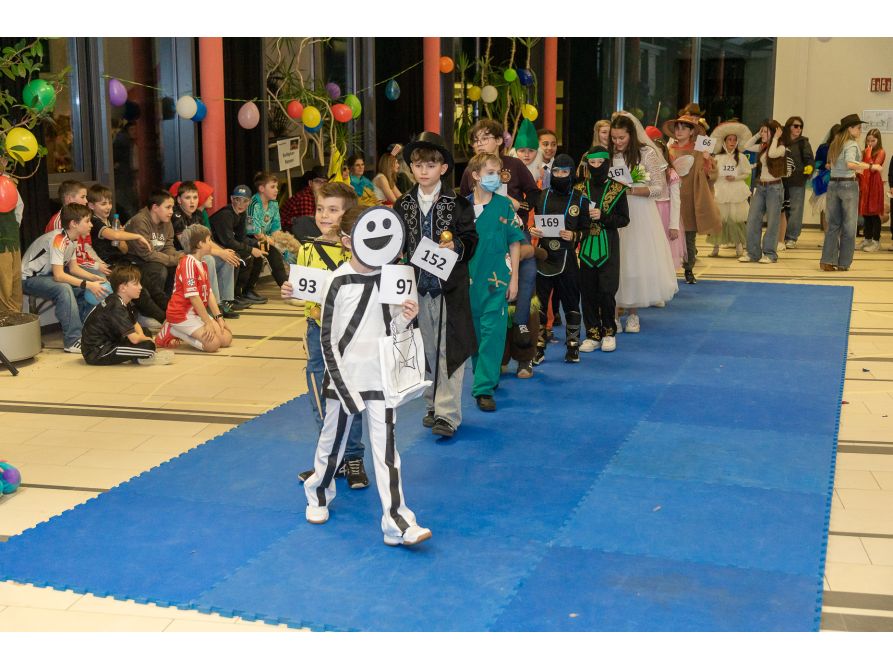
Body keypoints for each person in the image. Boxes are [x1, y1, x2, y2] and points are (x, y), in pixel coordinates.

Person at [302, 210, 430, 548]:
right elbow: (327, 339)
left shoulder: (393, 277)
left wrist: (406, 317)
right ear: (348, 241)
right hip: (344, 380)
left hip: (381, 377)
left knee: (387, 452)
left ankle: (397, 520)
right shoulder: (337, 280)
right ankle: (318, 492)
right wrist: (343, 387)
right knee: (333, 442)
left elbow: (393, 329)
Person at [281, 188, 369, 489]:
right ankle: (328, 459)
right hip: (317, 331)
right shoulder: (307, 249)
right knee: (320, 396)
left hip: (349, 335)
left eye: (333, 210)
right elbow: (303, 294)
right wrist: (289, 293)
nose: (324, 215)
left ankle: (354, 457)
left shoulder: (357, 250)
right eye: (320, 209)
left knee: (350, 394)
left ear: (348, 215)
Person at [394, 132, 477, 438]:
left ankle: (448, 414)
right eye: (418, 165)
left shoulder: (458, 204)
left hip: (449, 290)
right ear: (411, 168)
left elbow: (471, 240)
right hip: (415, 290)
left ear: (443, 168)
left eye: (431, 164)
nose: (424, 170)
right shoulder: (402, 204)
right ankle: (431, 404)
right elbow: (396, 244)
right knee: (424, 349)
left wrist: (456, 245)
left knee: (449, 350)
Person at [460, 117, 540, 378]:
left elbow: (535, 194)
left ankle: (525, 354)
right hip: (484, 240)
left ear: (498, 140)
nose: (480, 143)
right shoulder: (470, 170)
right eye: (476, 139)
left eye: (485, 138)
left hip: (514, 232)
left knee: (523, 289)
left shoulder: (515, 165)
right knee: (487, 299)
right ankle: (497, 358)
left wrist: (518, 205)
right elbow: (464, 204)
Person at [465, 152, 523, 410]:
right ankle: (484, 375)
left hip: (497, 280)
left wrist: (515, 279)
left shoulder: (504, 205)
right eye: (490, 173)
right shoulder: (461, 208)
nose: (495, 177)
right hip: (468, 282)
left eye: (498, 173)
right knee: (476, 334)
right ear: (476, 175)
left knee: (493, 333)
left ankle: (483, 388)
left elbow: (515, 242)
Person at [610, 112, 678, 332]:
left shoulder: (646, 153)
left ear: (631, 134)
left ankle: (633, 313)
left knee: (635, 261)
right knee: (616, 261)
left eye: (621, 138)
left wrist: (631, 190)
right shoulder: (610, 154)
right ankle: (613, 313)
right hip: (615, 211)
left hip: (640, 212)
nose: (617, 142)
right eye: (614, 138)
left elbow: (659, 188)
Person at [21, 203, 110, 353]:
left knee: (87, 288)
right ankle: (72, 340)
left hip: (47, 276)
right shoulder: (59, 239)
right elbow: (59, 275)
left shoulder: (73, 239)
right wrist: (88, 284)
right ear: (74, 224)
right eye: (87, 221)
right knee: (64, 288)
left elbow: (74, 268)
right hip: (29, 279)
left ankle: (87, 332)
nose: (91, 225)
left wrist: (94, 278)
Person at [530, 154, 588, 364]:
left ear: (571, 174)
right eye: (556, 171)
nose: (560, 175)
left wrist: (575, 236)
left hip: (567, 257)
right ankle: (538, 347)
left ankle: (573, 346)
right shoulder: (542, 196)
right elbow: (533, 223)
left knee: (571, 302)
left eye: (564, 172)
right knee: (539, 304)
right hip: (544, 256)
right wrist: (533, 230)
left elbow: (587, 229)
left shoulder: (580, 199)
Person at [577, 145, 629, 354]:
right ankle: (592, 334)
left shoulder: (618, 189)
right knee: (587, 292)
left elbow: (624, 219)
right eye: (593, 162)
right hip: (585, 248)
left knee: (607, 291)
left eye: (600, 162)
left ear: (607, 163)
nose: (597, 166)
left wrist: (604, 217)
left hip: (609, 246)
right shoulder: (579, 189)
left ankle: (608, 332)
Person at [662, 113, 721, 283]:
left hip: (690, 199)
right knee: (667, 235)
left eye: (684, 128)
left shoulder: (699, 151)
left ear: (691, 132)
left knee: (689, 236)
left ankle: (689, 269)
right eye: (677, 128)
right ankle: (667, 269)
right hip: (669, 199)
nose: (679, 131)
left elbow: (711, 175)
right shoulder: (667, 150)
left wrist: (707, 161)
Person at [155, 224, 233, 352]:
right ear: (200, 244)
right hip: (181, 315)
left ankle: (180, 330)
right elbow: (194, 297)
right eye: (209, 240)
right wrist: (207, 322)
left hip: (196, 313)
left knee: (226, 339)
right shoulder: (188, 263)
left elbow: (209, 293)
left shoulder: (203, 264)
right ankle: (173, 330)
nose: (211, 244)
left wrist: (219, 317)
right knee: (213, 345)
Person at [80, 265, 173, 366]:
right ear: (123, 288)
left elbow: (134, 323)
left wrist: (142, 336)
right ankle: (141, 357)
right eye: (136, 284)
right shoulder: (116, 306)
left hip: (112, 340)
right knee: (149, 347)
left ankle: (138, 356)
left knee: (146, 332)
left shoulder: (122, 300)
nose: (140, 287)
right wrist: (147, 340)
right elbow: (134, 339)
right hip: (97, 352)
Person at [124, 190, 183, 328]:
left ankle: (169, 307)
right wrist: (174, 259)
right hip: (135, 261)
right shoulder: (140, 221)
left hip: (154, 259)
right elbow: (146, 254)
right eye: (168, 207)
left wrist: (177, 258)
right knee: (159, 269)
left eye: (172, 208)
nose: (171, 211)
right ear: (155, 207)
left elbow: (168, 246)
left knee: (177, 267)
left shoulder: (166, 221)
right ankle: (146, 314)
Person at [821, 114, 870, 271]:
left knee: (833, 225)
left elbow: (832, 165)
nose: (860, 131)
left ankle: (827, 261)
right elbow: (850, 164)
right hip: (848, 185)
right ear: (850, 129)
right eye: (858, 128)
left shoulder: (835, 144)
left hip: (833, 185)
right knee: (849, 227)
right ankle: (843, 263)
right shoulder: (852, 144)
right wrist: (870, 166)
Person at [210, 184, 268, 306]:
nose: (241, 204)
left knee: (258, 254)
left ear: (249, 202)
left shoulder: (242, 214)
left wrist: (256, 243)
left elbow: (241, 238)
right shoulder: (226, 214)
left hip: (227, 245)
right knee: (245, 256)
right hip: (218, 247)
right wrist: (250, 249)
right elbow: (228, 241)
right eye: (237, 199)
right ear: (232, 199)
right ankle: (234, 295)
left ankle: (247, 291)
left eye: (245, 201)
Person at [739, 120, 787, 264]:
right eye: (762, 131)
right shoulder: (762, 146)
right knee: (753, 219)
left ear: (774, 132)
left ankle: (770, 254)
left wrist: (776, 138)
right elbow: (746, 146)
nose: (763, 134)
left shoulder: (781, 147)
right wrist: (757, 135)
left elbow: (772, 154)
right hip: (761, 187)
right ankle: (753, 253)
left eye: (766, 131)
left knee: (772, 222)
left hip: (775, 188)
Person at [707, 121, 752, 258]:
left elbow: (747, 173)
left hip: (736, 191)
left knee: (735, 219)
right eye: (729, 139)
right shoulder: (717, 157)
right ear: (724, 142)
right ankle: (716, 247)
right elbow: (712, 173)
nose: (732, 142)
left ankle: (739, 246)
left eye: (734, 140)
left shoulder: (742, 157)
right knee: (719, 219)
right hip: (721, 190)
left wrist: (736, 178)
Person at [646, 127, 686, 270]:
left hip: (665, 214)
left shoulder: (671, 174)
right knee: (651, 247)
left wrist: (674, 225)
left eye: (659, 153)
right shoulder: (645, 172)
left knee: (666, 249)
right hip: (649, 212)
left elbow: (676, 201)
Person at [86, 184, 152, 267]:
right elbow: (115, 235)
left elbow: (124, 250)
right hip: (105, 262)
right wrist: (138, 236)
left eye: (110, 203)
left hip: (119, 259)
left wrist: (120, 239)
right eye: (103, 204)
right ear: (91, 206)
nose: (108, 207)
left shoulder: (113, 220)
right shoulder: (93, 221)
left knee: (147, 265)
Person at [247, 172, 289, 286]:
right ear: (261, 188)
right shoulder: (253, 204)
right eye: (273, 187)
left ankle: (287, 286)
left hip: (266, 239)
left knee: (285, 251)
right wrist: (275, 243)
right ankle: (247, 289)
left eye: (277, 187)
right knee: (270, 253)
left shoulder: (274, 204)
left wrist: (282, 243)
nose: (277, 190)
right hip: (250, 239)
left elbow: (276, 228)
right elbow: (255, 232)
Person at [782, 116, 815, 249]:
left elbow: (810, 159)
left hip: (797, 181)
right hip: (781, 181)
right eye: (796, 126)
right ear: (788, 127)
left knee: (795, 209)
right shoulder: (781, 141)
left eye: (800, 126)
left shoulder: (803, 143)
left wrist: (810, 168)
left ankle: (791, 237)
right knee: (781, 209)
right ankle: (780, 235)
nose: (799, 129)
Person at [858, 128, 886, 252]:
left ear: (878, 140)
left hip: (874, 183)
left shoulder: (881, 152)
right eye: (868, 140)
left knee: (874, 213)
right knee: (866, 213)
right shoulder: (864, 151)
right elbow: (860, 166)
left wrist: (868, 155)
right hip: (865, 183)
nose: (870, 143)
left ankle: (876, 241)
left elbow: (873, 168)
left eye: (873, 141)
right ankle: (867, 239)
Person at [0, 174, 24, 313]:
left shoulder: (7, 180)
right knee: (4, 287)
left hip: (12, 240)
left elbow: (19, 206)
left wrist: (13, 227)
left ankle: (16, 318)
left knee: (15, 284)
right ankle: (5, 320)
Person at [810, 123, 840, 233]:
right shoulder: (823, 147)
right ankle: (827, 234)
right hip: (825, 181)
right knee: (825, 208)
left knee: (837, 209)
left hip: (839, 180)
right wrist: (825, 165)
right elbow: (816, 163)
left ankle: (836, 235)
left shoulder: (845, 147)